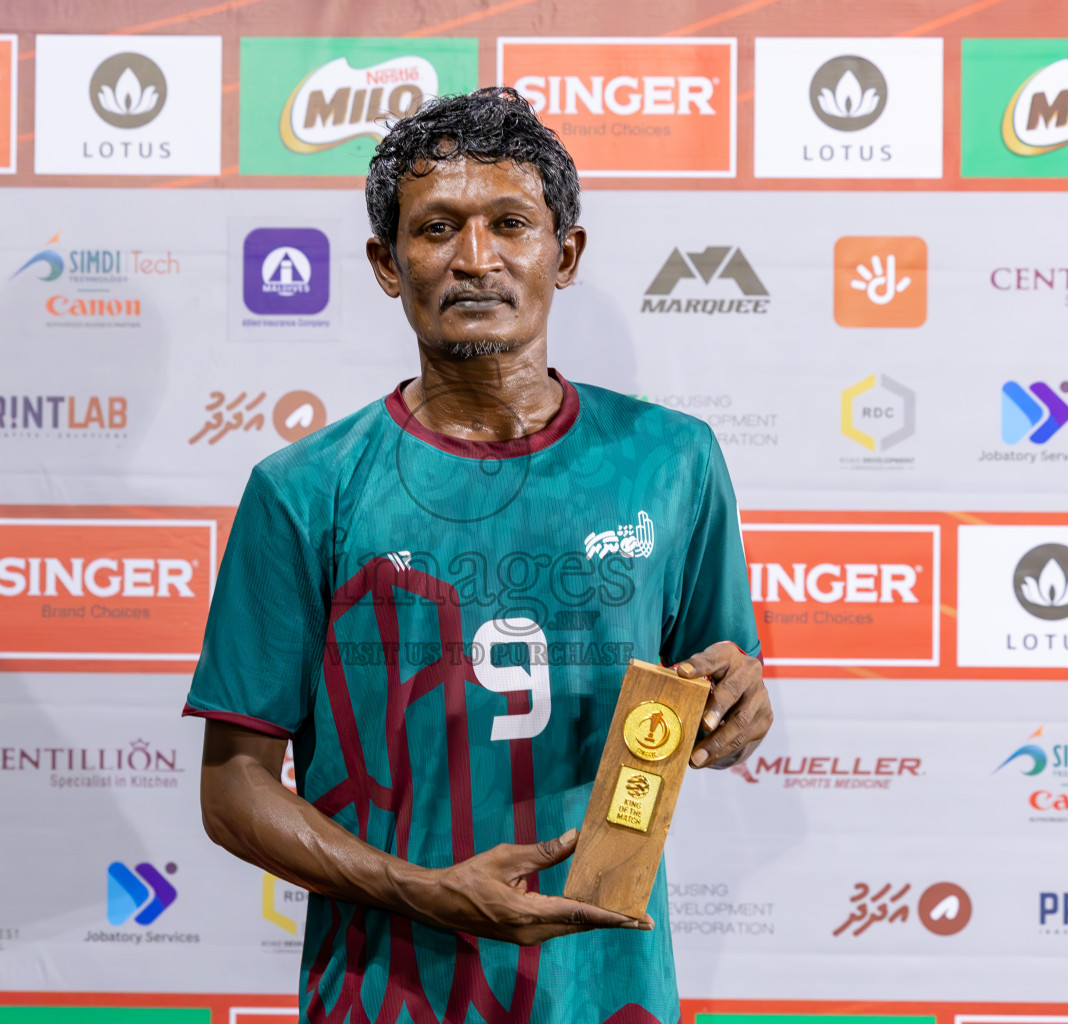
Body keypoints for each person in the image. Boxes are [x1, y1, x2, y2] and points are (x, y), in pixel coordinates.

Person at [186, 87, 771, 1024]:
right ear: (387, 262)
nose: (475, 259)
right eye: (436, 229)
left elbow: (717, 692)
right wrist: (428, 890)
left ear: (564, 253)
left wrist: (740, 703)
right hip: (385, 994)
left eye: (510, 223)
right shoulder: (303, 488)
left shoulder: (675, 460)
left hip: (608, 993)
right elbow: (233, 790)